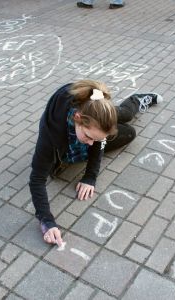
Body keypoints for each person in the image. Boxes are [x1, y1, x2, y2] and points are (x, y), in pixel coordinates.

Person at [29, 80, 163, 246]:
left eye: (96, 139)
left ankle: (137, 99)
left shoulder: (96, 111)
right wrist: (47, 222)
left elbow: (97, 142)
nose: (91, 143)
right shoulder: (51, 132)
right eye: (89, 137)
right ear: (77, 119)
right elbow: (36, 180)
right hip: (66, 134)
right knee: (60, 163)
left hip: (94, 119)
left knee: (128, 129)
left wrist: (90, 177)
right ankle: (71, 150)